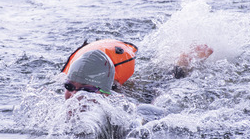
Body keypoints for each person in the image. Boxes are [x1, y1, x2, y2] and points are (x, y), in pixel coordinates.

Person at [63, 40, 214, 100]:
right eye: (69, 87)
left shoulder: (125, 102)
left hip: (133, 91)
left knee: (163, 85)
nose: (75, 96)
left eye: (87, 90)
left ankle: (183, 64)